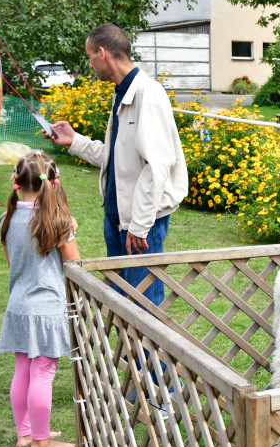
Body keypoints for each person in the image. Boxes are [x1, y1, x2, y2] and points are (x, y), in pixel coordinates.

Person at [48, 24, 187, 306]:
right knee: (124, 303)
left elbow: (157, 165)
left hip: (139, 224)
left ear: (102, 53)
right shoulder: (121, 92)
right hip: (117, 218)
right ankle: (128, 353)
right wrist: (74, 140)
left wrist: (139, 225)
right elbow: (116, 158)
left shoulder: (148, 95)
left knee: (142, 304)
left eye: (89, 56)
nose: (90, 64)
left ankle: (142, 353)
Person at [0, 151, 79, 447]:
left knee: (24, 370)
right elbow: (75, 265)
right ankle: (42, 443)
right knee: (43, 373)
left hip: (18, 305)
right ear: (53, 182)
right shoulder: (59, 220)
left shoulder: (7, 219)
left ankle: (27, 434)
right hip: (46, 309)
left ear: (17, 181)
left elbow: (12, 261)